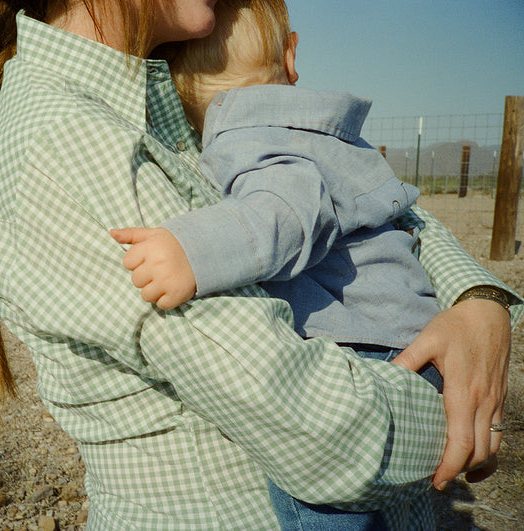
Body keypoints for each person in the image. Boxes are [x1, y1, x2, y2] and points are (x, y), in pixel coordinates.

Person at [0, 1, 522, 529]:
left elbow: (368, 201)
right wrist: (453, 402)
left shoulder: (165, 86)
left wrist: (479, 303)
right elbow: (321, 433)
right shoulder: (67, 140)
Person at [109, 1, 448, 527]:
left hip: (373, 350)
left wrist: (192, 251)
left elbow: (286, 215)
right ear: (291, 55)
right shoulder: (312, 131)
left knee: (313, 493)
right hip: (404, 340)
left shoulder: (253, 136)